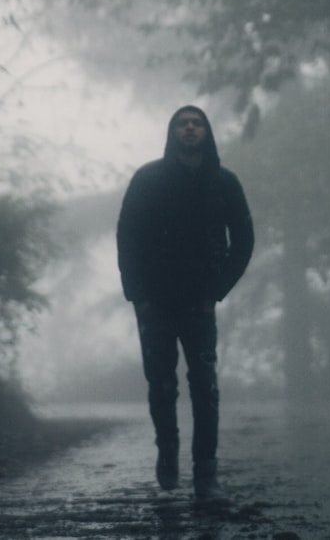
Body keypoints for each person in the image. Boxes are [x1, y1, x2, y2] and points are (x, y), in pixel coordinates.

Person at [116, 105, 254, 500]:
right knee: (161, 385)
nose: (190, 128)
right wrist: (137, 294)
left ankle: (206, 474)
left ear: (207, 132)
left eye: (197, 123)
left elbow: (243, 240)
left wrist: (217, 290)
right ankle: (168, 451)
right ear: (172, 131)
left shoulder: (224, 183)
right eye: (182, 123)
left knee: (205, 388)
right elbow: (127, 237)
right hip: (154, 302)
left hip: (199, 302)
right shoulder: (147, 180)